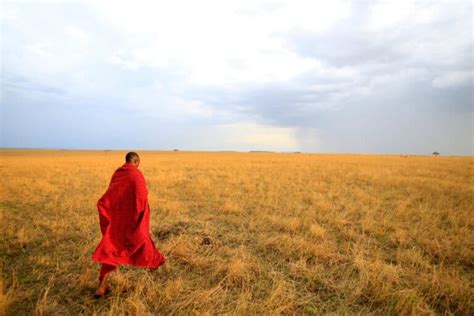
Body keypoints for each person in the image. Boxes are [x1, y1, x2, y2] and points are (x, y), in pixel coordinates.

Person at [91, 152, 165, 298]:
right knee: (143, 241)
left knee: (111, 249)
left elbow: (112, 195)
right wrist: (140, 217)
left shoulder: (118, 173)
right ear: (136, 161)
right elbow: (141, 198)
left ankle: (102, 286)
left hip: (117, 221)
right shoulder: (136, 175)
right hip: (131, 220)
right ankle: (154, 267)